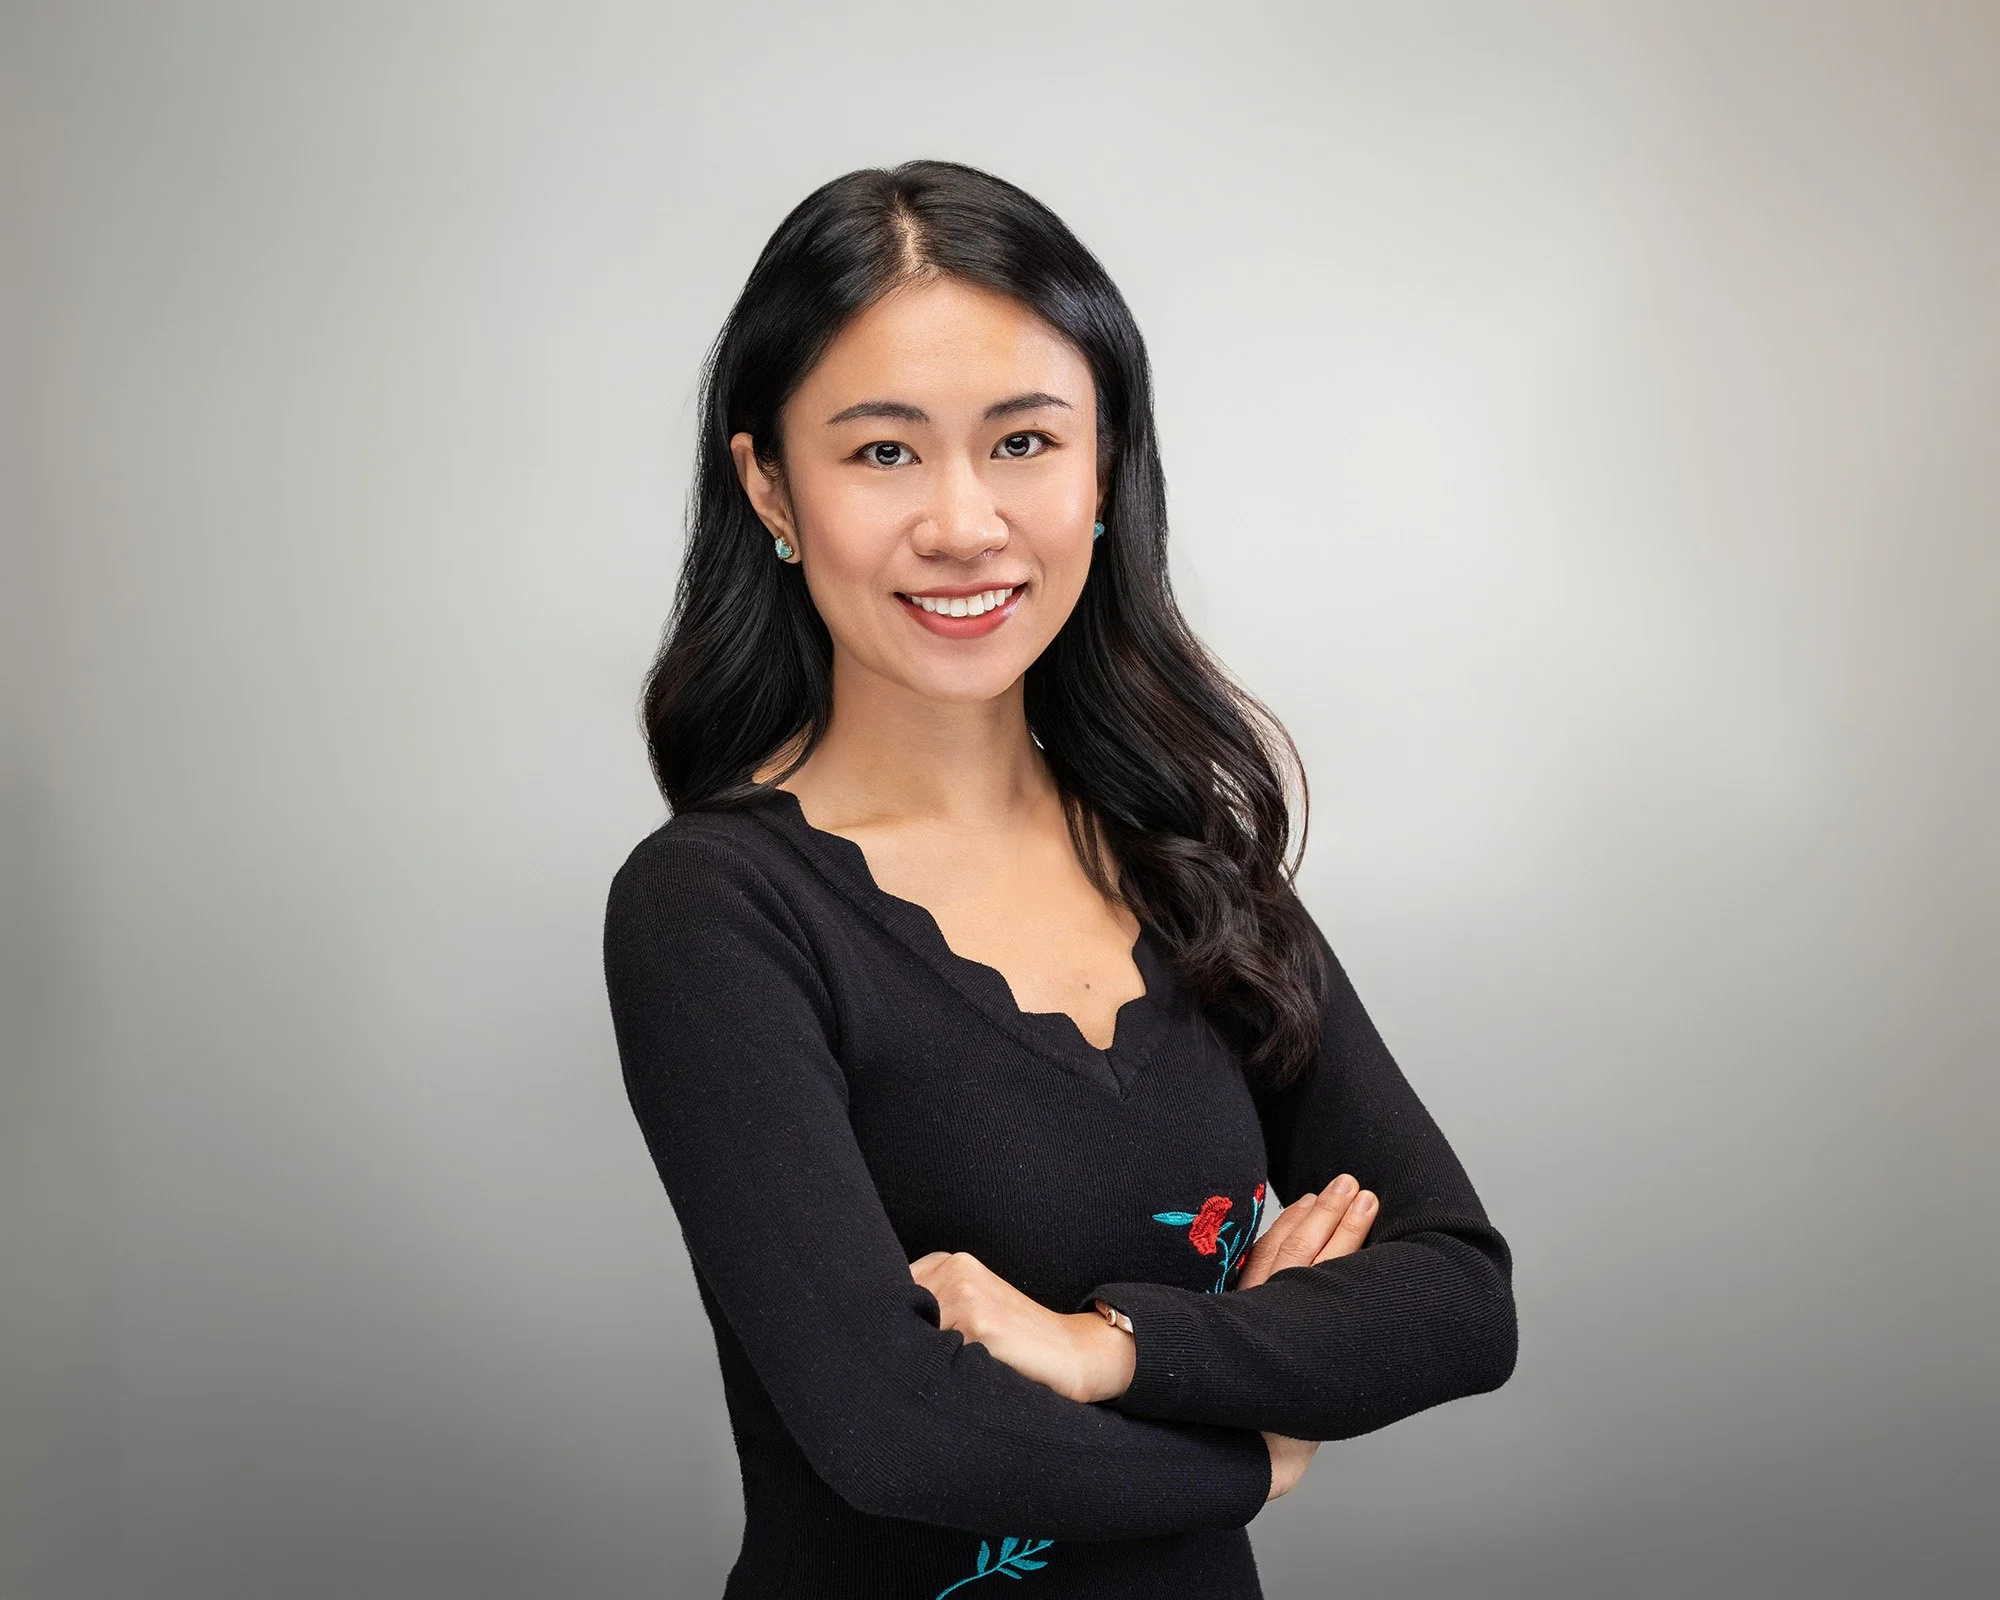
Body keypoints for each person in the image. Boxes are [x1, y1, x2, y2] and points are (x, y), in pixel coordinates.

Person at [602, 158, 1517, 1600]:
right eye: (883, 452)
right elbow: (893, 1431)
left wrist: (1113, 1349)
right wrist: (1256, 1451)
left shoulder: (1190, 861)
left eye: (1024, 442)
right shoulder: (715, 908)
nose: (965, 523)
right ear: (769, 484)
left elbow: (1459, 1294)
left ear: (1105, 469)